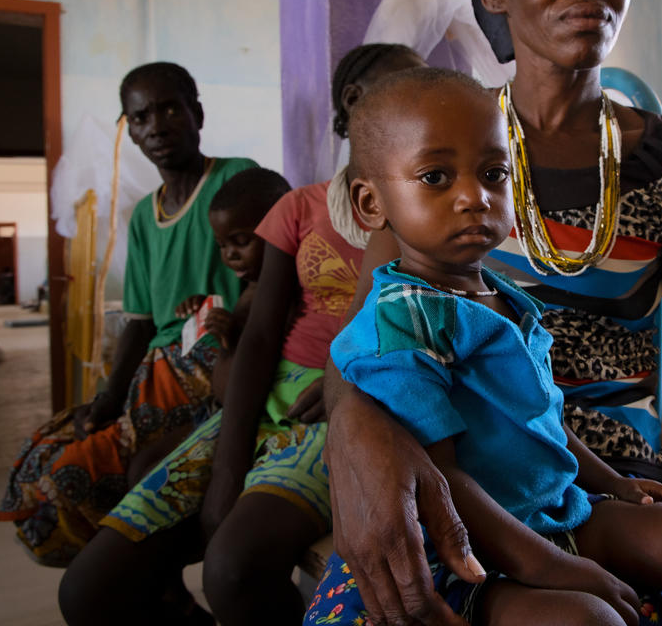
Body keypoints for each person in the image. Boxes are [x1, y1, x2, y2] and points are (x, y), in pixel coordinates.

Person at [318, 0, 662, 626]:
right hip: (457, 457)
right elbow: (369, 342)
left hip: (591, 467)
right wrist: (354, 435)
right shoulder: (434, 144)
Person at [306, 67, 662, 626]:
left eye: (493, 173)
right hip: (459, 554)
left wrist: (613, 483)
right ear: (371, 204)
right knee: (589, 619)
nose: (474, 197)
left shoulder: (501, 295)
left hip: (545, 511)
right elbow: (444, 487)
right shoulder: (401, 324)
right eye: (435, 177)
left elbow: (543, 420)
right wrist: (558, 569)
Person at [56, 44, 426, 626]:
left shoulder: (430, 214)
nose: (423, 108)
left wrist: (346, 390)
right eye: (409, 91)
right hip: (269, 398)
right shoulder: (301, 208)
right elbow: (257, 338)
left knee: (231, 572)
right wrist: (228, 463)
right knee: (87, 591)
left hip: (347, 407)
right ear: (354, 103)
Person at [0, 61, 257, 567]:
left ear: (196, 113)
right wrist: (108, 397)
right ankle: (149, 586)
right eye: (140, 118)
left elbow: (274, 279)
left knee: (74, 476)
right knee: (44, 453)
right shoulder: (143, 216)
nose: (156, 126)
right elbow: (139, 323)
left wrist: (223, 317)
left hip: (215, 358)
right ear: (131, 131)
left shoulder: (236, 179)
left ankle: (143, 579)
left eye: (168, 109)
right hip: (157, 366)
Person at [121, 166, 293, 488]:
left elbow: (258, 360)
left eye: (241, 242)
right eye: (221, 245)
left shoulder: (281, 294)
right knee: (140, 463)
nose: (230, 255)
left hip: (240, 419)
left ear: (280, 226)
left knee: (153, 475)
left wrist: (230, 336)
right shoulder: (252, 287)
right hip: (214, 410)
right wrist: (206, 310)